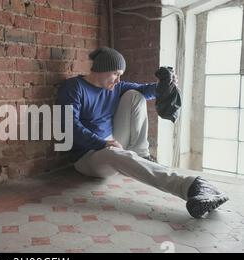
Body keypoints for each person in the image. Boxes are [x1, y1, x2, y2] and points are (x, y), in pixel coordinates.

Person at [56, 46, 229, 219]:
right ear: (101, 69)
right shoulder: (73, 87)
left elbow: (145, 90)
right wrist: (102, 144)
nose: (118, 80)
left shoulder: (116, 87)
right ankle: (191, 186)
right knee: (115, 154)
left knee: (134, 95)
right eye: (116, 73)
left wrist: (164, 85)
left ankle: (141, 154)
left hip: (112, 144)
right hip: (88, 158)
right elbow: (68, 126)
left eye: (120, 75)